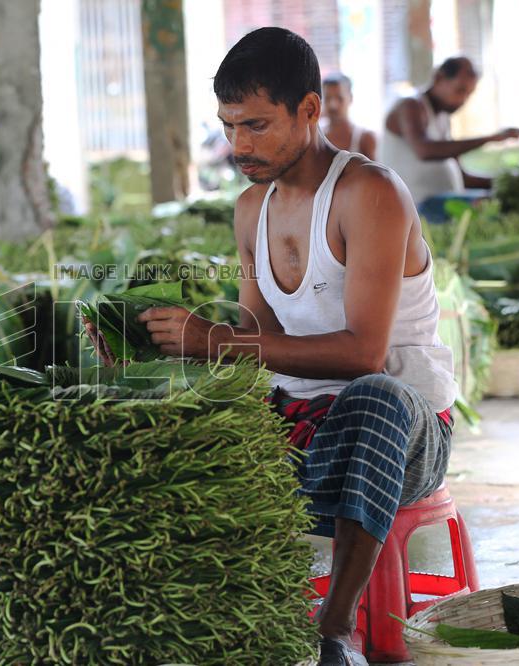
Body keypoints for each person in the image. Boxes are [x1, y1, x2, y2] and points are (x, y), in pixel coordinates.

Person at [86, 27, 457, 665]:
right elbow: (259, 340)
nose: (239, 146)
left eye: (256, 125)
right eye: (230, 127)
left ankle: (334, 633)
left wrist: (216, 341)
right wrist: (157, 349)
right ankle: (221, 619)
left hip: (405, 435)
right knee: (161, 427)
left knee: (374, 398)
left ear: (309, 110)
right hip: (304, 425)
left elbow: (362, 355)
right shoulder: (250, 209)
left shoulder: (369, 195)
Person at [381, 56, 519, 221]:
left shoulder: (443, 118)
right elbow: (424, 150)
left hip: (446, 200)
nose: (463, 100)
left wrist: (507, 182)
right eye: (460, 90)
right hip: (416, 207)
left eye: (468, 94)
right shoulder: (410, 106)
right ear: (439, 78)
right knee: (493, 211)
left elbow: (463, 177)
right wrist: (492, 138)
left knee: (501, 201)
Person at [321, 74, 376, 160]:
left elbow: (376, 172)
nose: (333, 105)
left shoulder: (365, 138)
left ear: (350, 98)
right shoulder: (316, 135)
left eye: (339, 98)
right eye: (328, 98)